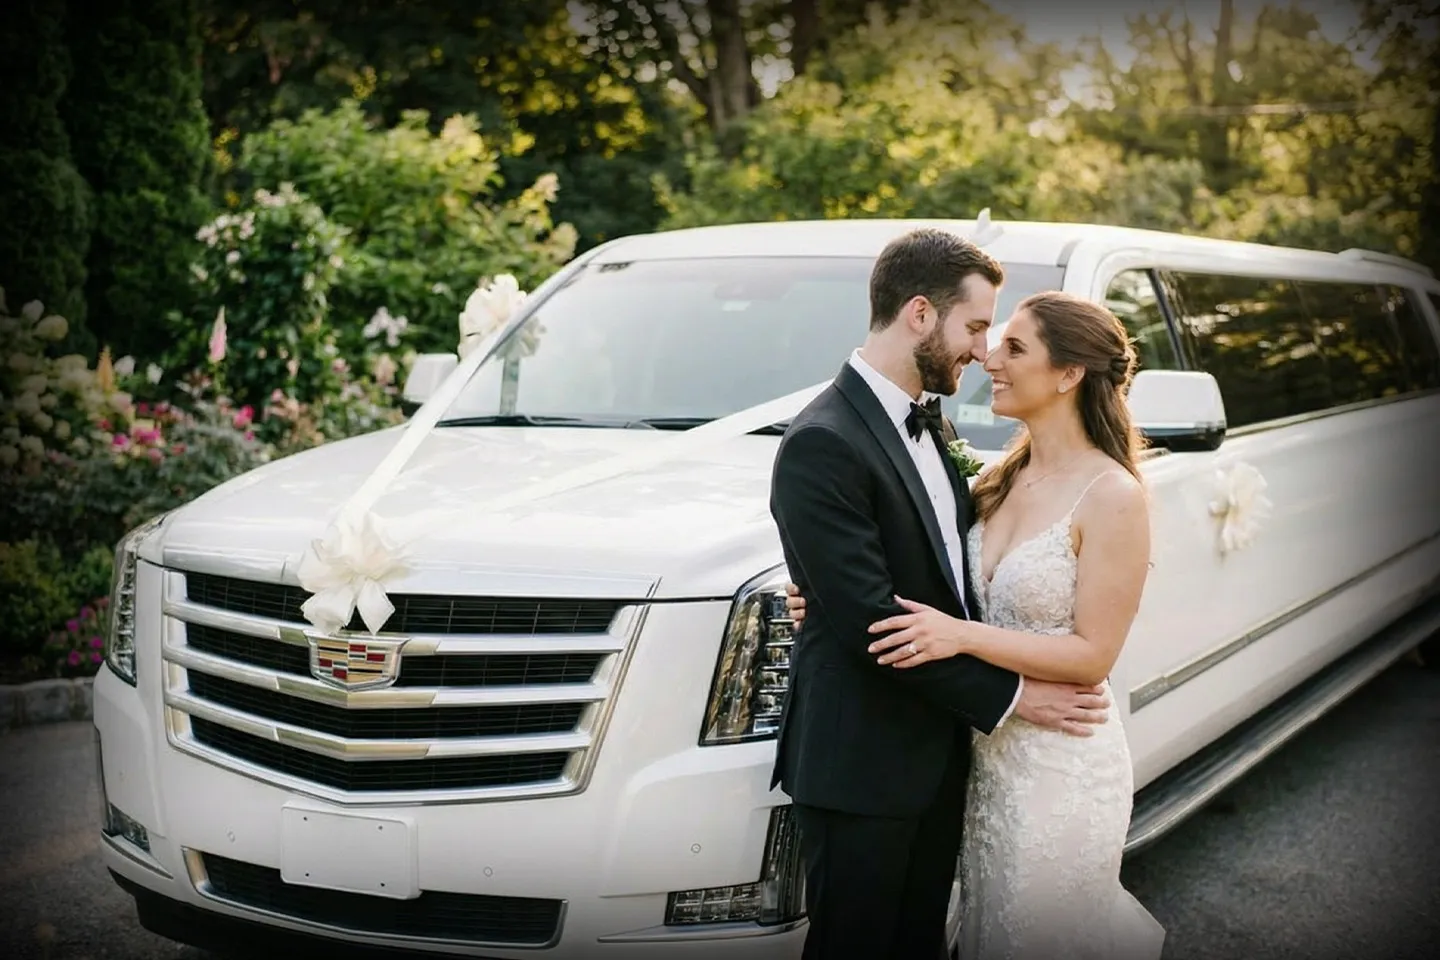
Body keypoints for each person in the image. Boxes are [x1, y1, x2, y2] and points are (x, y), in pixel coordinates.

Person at [781, 287, 1167, 959]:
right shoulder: (993, 479)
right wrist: (821, 593)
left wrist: (963, 637)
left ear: (1070, 373)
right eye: (988, 334)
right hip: (980, 759)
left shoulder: (1115, 496)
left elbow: (1093, 656)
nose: (989, 357)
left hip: (1058, 758)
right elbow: (918, 574)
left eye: (1014, 345)